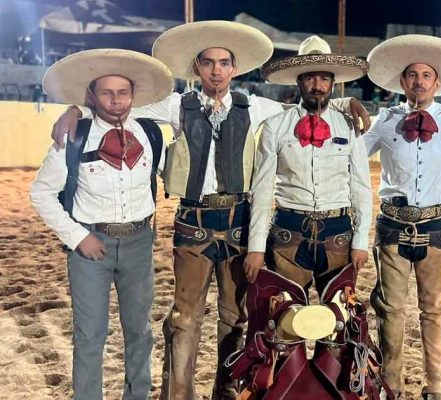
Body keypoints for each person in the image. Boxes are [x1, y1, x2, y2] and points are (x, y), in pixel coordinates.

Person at [48, 21, 371, 400]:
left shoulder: (256, 107)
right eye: (208, 63)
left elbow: (305, 105)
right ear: (197, 68)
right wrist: (75, 110)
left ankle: (227, 391)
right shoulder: (175, 105)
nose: (216, 70)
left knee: (236, 316)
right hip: (193, 222)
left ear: (234, 69)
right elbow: (118, 106)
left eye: (223, 63)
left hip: (238, 220)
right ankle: (179, 395)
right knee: (186, 318)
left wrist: (343, 102)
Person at [237, 35, 379, 398]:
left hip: (339, 236)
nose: (317, 84)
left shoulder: (349, 127)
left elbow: (362, 187)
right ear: (299, 82)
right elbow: (263, 190)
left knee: (338, 326)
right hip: (288, 235)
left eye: (324, 78)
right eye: (310, 78)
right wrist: (255, 248)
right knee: (286, 325)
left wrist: (361, 241)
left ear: (333, 82)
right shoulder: (275, 127)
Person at [30, 49, 173, 400]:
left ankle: (135, 396)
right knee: (91, 334)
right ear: (92, 95)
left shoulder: (151, 135)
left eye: (122, 92)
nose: (115, 100)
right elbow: (41, 194)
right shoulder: (73, 138)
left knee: (140, 331)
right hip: (90, 246)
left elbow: (171, 171)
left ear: (133, 96)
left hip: (140, 243)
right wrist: (78, 237)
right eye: (106, 92)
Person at [363, 34, 441, 400]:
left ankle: (438, 389)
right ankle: (391, 386)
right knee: (390, 309)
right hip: (393, 224)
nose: (419, 81)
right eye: (412, 75)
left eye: (426, 75)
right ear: (403, 82)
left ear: (437, 83)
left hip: (436, 226)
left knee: (435, 310)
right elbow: (353, 155)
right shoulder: (386, 120)